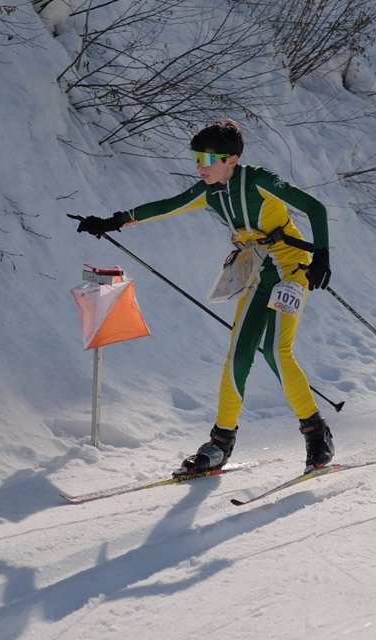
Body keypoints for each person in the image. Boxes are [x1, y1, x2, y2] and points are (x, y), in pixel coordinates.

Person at [77, 118, 334, 476]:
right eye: (197, 158)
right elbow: (166, 206)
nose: (200, 166)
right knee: (238, 356)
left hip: (292, 271)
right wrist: (112, 221)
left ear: (232, 160)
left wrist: (321, 255)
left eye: (208, 159)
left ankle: (317, 434)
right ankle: (220, 443)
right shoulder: (210, 192)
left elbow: (315, 208)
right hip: (258, 273)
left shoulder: (259, 180)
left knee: (277, 351)